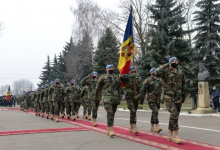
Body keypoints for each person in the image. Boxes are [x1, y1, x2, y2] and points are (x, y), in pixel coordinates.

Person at [153, 57, 187, 144]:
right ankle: (176, 135)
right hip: (168, 96)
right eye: (173, 61)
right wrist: (167, 65)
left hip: (178, 97)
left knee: (175, 116)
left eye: (176, 61)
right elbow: (156, 72)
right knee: (174, 113)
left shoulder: (180, 72)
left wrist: (184, 96)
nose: (175, 62)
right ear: (169, 63)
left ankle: (170, 135)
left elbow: (184, 85)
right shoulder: (165, 71)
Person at [94, 64, 121, 137]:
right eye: (109, 68)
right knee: (110, 112)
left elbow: (119, 88)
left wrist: (119, 97)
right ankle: (111, 129)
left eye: (112, 68)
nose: (111, 69)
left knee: (112, 114)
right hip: (107, 98)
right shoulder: (103, 77)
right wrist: (96, 96)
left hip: (115, 98)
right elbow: (98, 87)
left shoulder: (116, 77)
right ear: (106, 70)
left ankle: (109, 128)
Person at [119, 66, 142, 134]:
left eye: (135, 70)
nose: (134, 71)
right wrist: (130, 75)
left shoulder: (138, 79)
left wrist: (138, 96)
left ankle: (131, 127)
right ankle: (134, 126)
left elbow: (141, 88)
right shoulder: (127, 77)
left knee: (134, 112)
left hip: (135, 97)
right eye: (132, 70)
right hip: (129, 97)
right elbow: (121, 76)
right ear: (129, 71)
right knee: (133, 110)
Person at [142, 68, 163, 133]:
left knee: (154, 112)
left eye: (155, 71)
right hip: (151, 99)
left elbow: (162, 89)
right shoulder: (148, 80)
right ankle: (157, 126)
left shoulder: (160, 80)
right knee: (155, 110)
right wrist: (141, 99)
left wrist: (162, 98)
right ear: (150, 73)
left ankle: (151, 127)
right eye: (153, 71)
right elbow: (143, 90)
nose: (154, 72)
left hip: (158, 99)